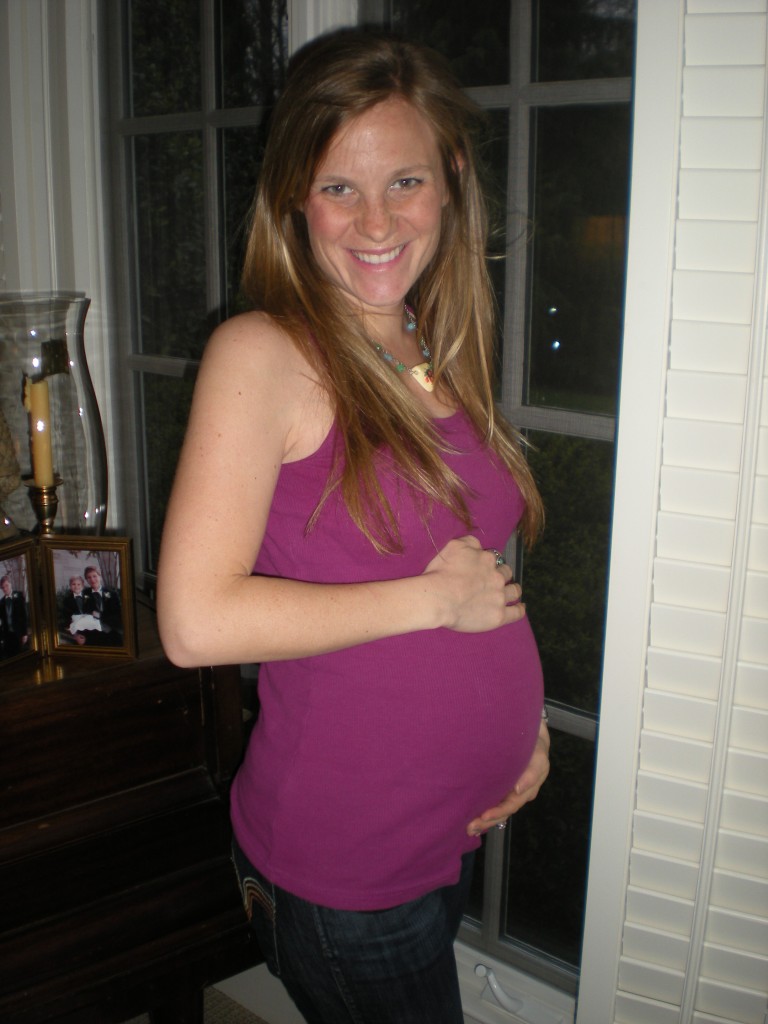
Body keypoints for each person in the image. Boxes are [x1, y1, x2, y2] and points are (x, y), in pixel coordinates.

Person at [157, 29, 549, 1024]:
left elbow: (473, 564)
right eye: (340, 187)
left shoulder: (428, 338)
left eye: (405, 181)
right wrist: (432, 603)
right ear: (296, 194)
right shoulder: (263, 353)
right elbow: (195, 622)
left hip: (443, 827)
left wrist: (527, 728)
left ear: (451, 177)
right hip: (344, 861)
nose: (376, 221)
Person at [81, 565, 123, 645]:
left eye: (94, 576)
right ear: (86, 580)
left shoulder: (111, 594)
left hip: (111, 631)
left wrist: (100, 615)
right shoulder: (85, 594)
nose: (92, 579)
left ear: (100, 576)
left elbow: (118, 615)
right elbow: (83, 613)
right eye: (89, 577)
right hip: (92, 633)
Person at [0, 573, 28, 659]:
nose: (5, 589)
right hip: (8, 636)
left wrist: (24, 633)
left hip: (18, 634)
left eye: (6, 586)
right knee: (10, 658)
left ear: (10, 584)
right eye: (3, 587)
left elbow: (24, 616)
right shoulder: (1, 602)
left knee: (20, 657)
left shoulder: (19, 596)